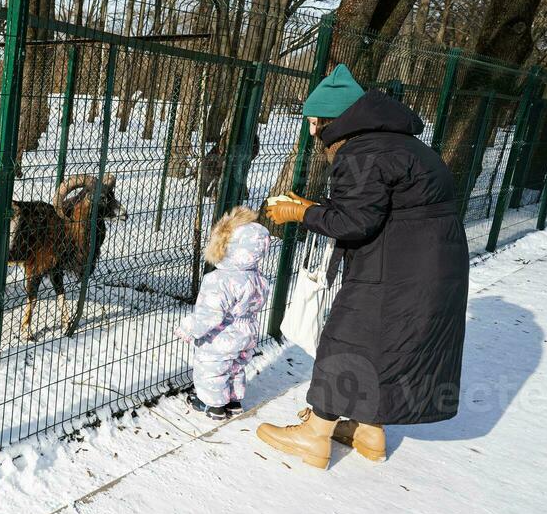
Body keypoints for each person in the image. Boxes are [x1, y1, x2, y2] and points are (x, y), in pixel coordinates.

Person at [262, 63, 469, 469]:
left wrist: (298, 214)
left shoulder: (362, 153)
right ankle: (369, 430)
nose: (311, 130)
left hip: (396, 269)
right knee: (385, 343)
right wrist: (314, 206)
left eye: (313, 120)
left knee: (349, 338)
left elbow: (355, 222)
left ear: (333, 119)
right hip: (427, 265)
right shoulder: (400, 145)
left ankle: (315, 435)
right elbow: (374, 209)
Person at [177, 206, 272, 420]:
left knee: (212, 368)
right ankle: (234, 401)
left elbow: (209, 314)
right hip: (247, 331)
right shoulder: (256, 278)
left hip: (222, 335)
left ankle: (212, 405)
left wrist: (188, 328)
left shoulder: (220, 280)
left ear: (226, 246)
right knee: (236, 367)